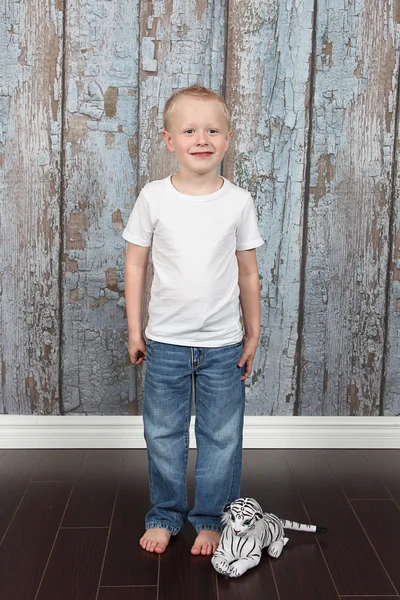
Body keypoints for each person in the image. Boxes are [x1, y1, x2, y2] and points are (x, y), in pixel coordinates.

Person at [122, 85, 264, 556]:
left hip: (224, 343)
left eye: (212, 130)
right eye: (189, 130)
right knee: (162, 433)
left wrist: (253, 330)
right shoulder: (154, 197)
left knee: (221, 435)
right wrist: (134, 330)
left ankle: (210, 518)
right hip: (164, 342)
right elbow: (136, 264)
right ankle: (165, 513)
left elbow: (247, 272)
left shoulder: (238, 201)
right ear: (168, 140)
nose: (201, 138)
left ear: (227, 139)